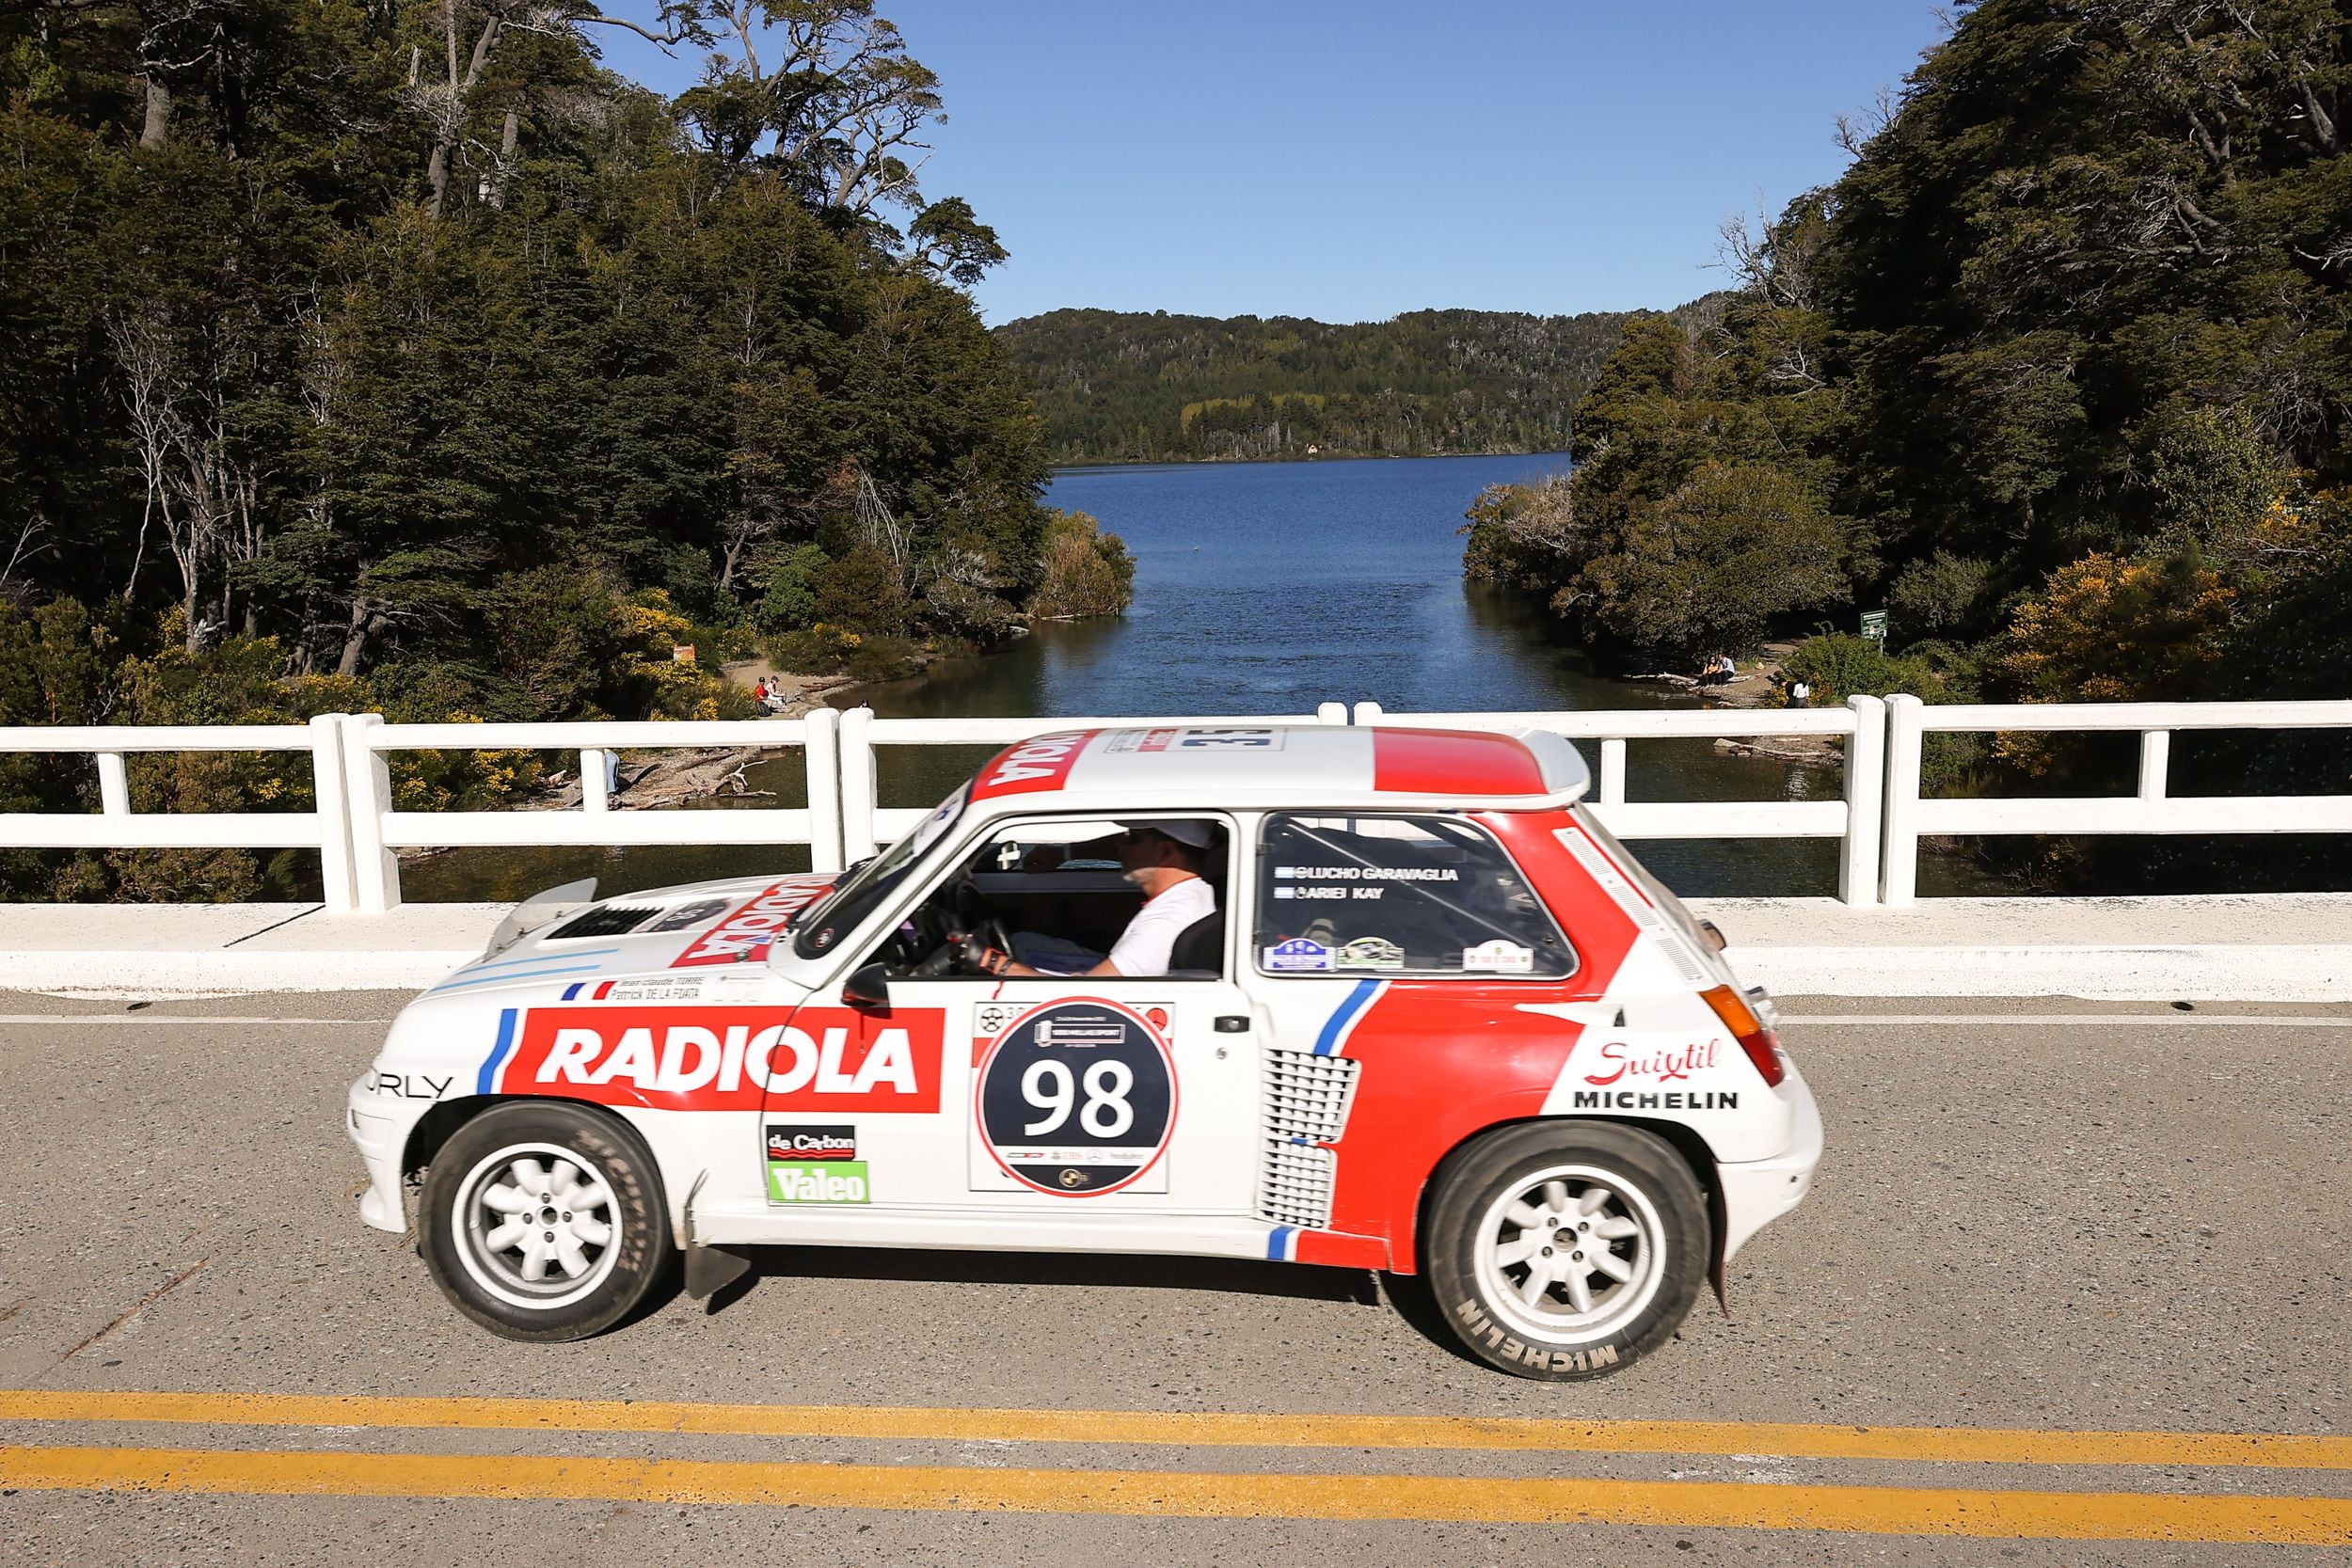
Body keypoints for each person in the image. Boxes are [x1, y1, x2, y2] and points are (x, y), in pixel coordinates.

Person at [967, 822, 1216, 979]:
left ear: (1165, 853)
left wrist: (994, 963)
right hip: (1105, 978)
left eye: (1132, 837)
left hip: (1100, 997)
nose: (1120, 841)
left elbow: (1088, 998)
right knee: (1023, 941)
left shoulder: (1164, 923)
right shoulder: (1189, 896)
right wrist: (1065, 854)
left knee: (1019, 947)